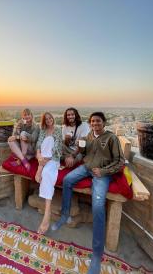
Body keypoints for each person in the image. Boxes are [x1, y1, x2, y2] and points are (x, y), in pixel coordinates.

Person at [52, 112, 125, 274]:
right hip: (86, 168)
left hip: (101, 174)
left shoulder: (111, 138)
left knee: (98, 205)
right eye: (92, 121)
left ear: (104, 123)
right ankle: (65, 215)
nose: (95, 123)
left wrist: (104, 171)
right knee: (67, 180)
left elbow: (120, 162)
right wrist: (74, 151)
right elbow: (82, 153)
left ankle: (97, 255)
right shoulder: (89, 137)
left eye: (98, 121)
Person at [35, 112, 62, 234]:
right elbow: (38, 147)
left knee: (46, 174)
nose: (49, 120)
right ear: (44, 121)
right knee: (46, 142)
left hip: (53, 159)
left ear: (53, 118)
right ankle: (40, 166)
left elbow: (57, 148)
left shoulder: (57, 130)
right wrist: (39, 156)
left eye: (50, 118)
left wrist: (46, 159)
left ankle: (47, 213)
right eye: (46, 119)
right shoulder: (42, 130)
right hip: (43, 158)